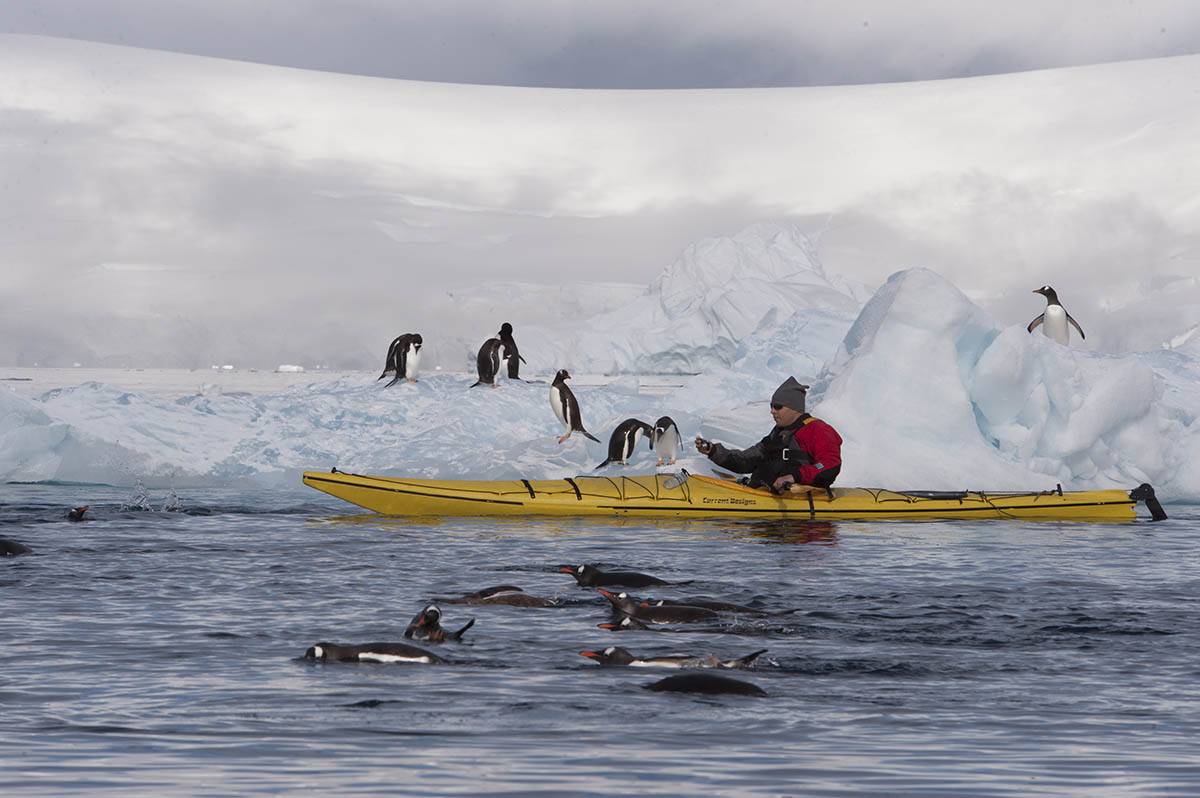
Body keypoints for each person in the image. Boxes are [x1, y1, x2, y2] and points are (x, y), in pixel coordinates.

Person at [694, 377, 842, 493]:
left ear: (794, 408)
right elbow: (747, 460)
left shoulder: (818, 430)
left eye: (778, 406)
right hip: (768, 494)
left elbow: (830, 464)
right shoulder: (779, 433)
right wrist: (713, 451)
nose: (772, 411)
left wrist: (795, 476)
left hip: (800, 502)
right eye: (771, 406)